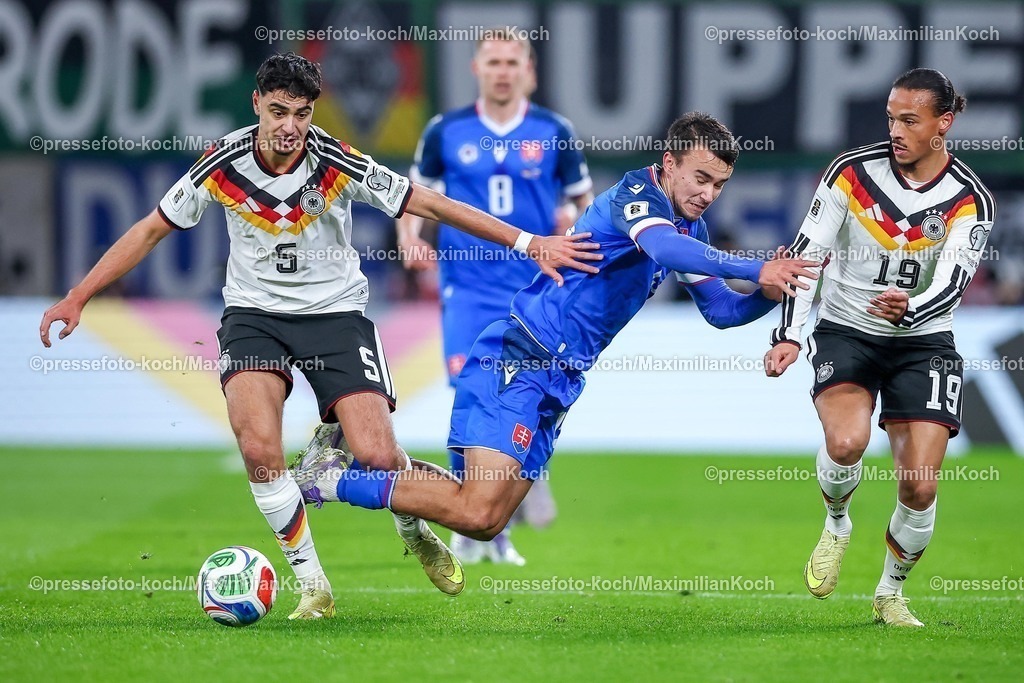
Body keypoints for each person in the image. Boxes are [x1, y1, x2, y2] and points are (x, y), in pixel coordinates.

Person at [38, 52, 601, 620]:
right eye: (278, 112)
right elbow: (152, 228)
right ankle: (314, 587)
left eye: (301, 114)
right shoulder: (222, 162)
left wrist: (527, 243)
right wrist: (79, 295)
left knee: (377, 456)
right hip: (253, 317)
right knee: (259, 447)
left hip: (335, 317)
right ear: (257, 103)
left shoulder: (334, 159)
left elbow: (426, 200)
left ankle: (412, 524)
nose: (289, 128)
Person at [290, 113, 818, 567]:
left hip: (562, 378)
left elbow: (722, 311)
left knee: (488, 519)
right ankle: (324, 482)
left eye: (719, 185)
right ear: (671, 161)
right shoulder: (635, 196)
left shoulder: (692, 230)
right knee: (475, 506)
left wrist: (777, 287)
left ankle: (359, 471)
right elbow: (664, 248)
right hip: (521, 356)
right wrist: (756, 263)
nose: (708, 194)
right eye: (701, 177)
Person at [763, 68, 994, 627]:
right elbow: (808, 255)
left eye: (909, 120)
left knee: (919, 484)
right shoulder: (851, 174)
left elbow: (955, 280)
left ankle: (890, 592)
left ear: (945, 122)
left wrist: (912, 308)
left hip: (924, 341)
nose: (896, 129)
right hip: (847, 329)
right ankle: (837, 522)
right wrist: (791, 334)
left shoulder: (970, 199)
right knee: (846, 444)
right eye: (891, 117)